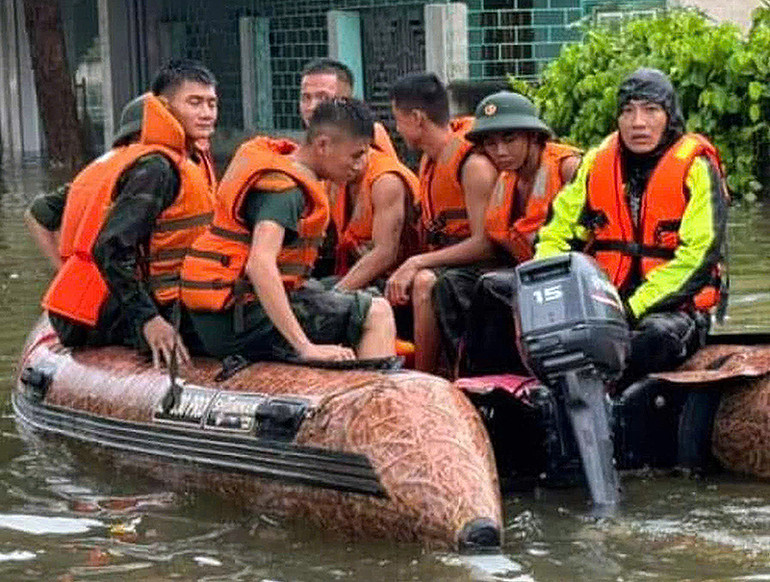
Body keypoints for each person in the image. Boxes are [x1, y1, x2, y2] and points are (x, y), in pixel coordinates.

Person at [534, 68, 729, 383]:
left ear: (669, 116)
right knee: (496, 289)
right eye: (627, 111)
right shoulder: (597, 163)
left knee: (656, 335)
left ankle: (612, 395)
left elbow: (698, 257)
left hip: (671, 310)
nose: (638, 122)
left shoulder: (697, 168)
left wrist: (630, 308)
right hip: (601, 302)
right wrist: (552, 292)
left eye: (650, 110)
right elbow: (556, 234)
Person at [179, 98, 396, 363]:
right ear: (323, 145)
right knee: (375, 311)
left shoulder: (286, 166)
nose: (361, 165)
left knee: (349, 292)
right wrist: (306, 347)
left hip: (228, 312)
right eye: (356, 155)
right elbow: (259, 265)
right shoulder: (286, 191)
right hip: (238, 321)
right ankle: (375, 390)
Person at [41, 59, 219, 368]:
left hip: (100, 300)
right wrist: (149, 319)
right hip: (98, 312)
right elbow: (109, 247)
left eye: (212, 104)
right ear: (164, 107)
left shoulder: (177, 162)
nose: (206, 113)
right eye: (195, 103)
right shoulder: (157, 168)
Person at [437, 91, 582, 376]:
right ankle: (470, 376)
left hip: (567, 279)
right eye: (491, 143)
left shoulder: (567, 168)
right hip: (525, 274)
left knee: (491, 286)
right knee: (451, 283)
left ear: (533, 137)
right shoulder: (507, 178)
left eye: (509, 139)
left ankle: (503, 373)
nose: (500, 151)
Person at [385, 73, 498, 372]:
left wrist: (416, 262)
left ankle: (425, 379)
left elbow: (486, 244)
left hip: (484, 266)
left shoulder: (473, 165)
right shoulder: (429, 160)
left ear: (417, 118)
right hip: (447, 262)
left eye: (398, 120)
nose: (397, 129)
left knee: (424, 281)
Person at [24, 96, 148, 271]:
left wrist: (63, 273)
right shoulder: (151, 170)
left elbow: (36, 213)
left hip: (91, 279)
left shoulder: (100, 170)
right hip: (124, 279)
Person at [299, 58, 397, 157]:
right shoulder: (295, 153)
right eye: (306, 97)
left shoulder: (370, 145)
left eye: (323, 98)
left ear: (346, 101)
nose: (311, 107)